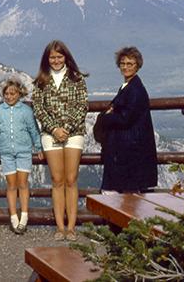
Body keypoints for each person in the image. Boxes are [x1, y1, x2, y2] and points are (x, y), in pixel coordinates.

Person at [32, 40, 88, 241]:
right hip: (50, 134)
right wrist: (54, 129)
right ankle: (59, 227)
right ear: (47, 59)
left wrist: (67, 129)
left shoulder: (77, 79)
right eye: (52, 57)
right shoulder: (40, 81)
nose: (56, 60)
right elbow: (38, 108)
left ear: (66, 57)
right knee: (57, 180)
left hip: (74, 133)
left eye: (59, 56)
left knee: (71, 179)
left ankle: (72, 227)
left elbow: (82, 106)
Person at [0, 79, 43, 234]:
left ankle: (24, 216)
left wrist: (38, 147)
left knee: (23, 183)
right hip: (6, 153)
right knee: (11, 185)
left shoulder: (26, 111)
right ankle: (13, 217)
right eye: (6, 94)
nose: (9, 96)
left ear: (19, 94)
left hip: (24, 151)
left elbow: (33, 129)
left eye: (13, 93)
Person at [98, 46, 158, 193]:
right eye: (123, 64)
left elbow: (126, 119)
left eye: (130, 64)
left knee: (125, 196)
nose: (125, 67)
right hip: (128, 148)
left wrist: (105, 117)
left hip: (130, 151)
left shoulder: (135, 90)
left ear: (137, 66)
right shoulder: (129, 86)